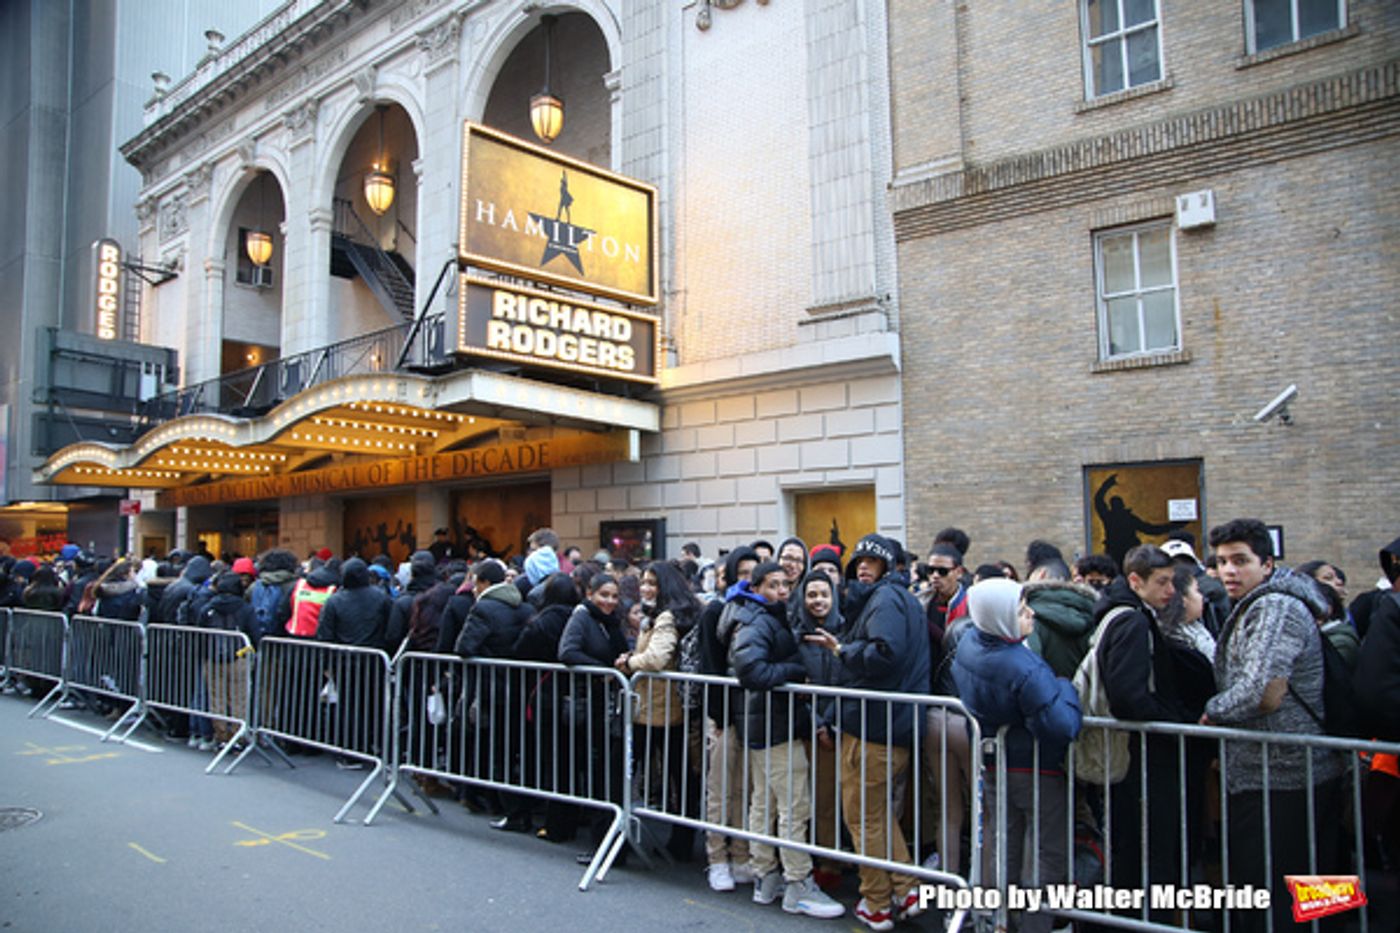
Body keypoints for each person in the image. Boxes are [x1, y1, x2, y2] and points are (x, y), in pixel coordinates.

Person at [1202, 518, 1343, 933]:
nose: (1228, 571)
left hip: (1281, 773)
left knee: (1279, 897)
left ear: (1267, 564)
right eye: (1222, 562)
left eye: (1240, 560)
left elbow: (1263, 691)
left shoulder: (1274, 607)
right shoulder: (1265, 603)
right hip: (1286, 769)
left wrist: (1213, 711)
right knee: (1311, 892)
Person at [804, 533, 930, 931]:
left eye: (871, 561)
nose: (862, 566)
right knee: (874, 815)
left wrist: (843, 650)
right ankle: (905, 888)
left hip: (875, 727)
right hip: (886, 724)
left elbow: (885, 653)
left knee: (863, 818)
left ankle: (877, 901)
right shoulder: (897, 598)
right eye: (858, 560)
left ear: (890, 567)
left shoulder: (886, 598)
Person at [952, 578, 1081, 933]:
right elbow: (1062, 725)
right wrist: (1065, 688)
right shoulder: (1023, 666)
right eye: (1022, 611)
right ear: (1001, 617)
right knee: (1046, 851)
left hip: (995, 761)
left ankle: (1002, 921)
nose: (1031, 615)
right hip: (1036, 766)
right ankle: (1035, 924)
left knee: (1004, 844)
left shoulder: (968, 644)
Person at [1095, 545, 1214, 917]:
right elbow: (1128, 695)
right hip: (1144, 753)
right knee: (1145, 846)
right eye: (1162, 582)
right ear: (1135, 580)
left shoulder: (1128, 614)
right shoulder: (1132, 620)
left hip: (1141, 750)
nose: (1170, 591)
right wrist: (1171, 722)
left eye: (1172, 583)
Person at [724, 561, 844, 919]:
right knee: (793, 806)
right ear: (756, 588)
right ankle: (798, 883)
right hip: (774, 725)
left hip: (766, 724)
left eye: (785, 585)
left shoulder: (759, 616)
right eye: (773, 585)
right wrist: (794, 673)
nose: (781, 591)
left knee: (766, 803)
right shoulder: (758, 620)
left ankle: (766, 876)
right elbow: (751, 670)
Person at [617, 561, 697, 862]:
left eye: (652, 583)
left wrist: (628, 663)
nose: (645, 588)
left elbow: (656, 658)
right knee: (679, 776)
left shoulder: (666, 617)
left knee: (633, 772)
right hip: (664, 709)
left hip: (656, 709)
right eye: (643, 583)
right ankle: (680, 842)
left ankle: (622, 841)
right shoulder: (670, 613)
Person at [698, 546, 760, 892]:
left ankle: (741, 854)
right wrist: (718, 717)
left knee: (743, 790)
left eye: (754, 573)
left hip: (750, 713)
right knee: (719, 789)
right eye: (743, 573)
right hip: (723, 715)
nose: (749, 579)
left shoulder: (759, 610)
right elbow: (711, 666)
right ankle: (717, 858)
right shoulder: (716, 611)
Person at [557, 573, 630, 856]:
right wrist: (604, 671)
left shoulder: (611, 622)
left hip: (610, 707)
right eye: (604, 595)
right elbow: (567, 651)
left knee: (606, 774)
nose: (610, 601)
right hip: (589, 706)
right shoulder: (582, 617)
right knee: (597, 772)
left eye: (614, 596)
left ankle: (608, 838)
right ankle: (599, 839)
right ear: (590, 594)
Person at [791, 571, 851, 893]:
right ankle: (827, 863)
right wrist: (818, 724)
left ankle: (841, 858)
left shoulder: (848, 632)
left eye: (824, 594)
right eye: (811, 595)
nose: (818, 601)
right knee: (820, 799)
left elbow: (850, 682)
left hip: (844, 726)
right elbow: (799, 689)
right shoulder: (796, 636)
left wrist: (834, 723)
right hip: (812, 730)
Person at [197, 572, 258, 748]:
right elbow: (255, 633)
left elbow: (200, 634)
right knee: (239, 698)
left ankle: (221, 736)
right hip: (239, 657)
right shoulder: (245, 608)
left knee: (217, 698)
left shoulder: (208, 607)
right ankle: (238, 736)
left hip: (213, 658)